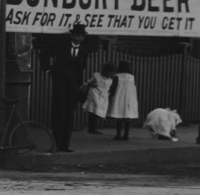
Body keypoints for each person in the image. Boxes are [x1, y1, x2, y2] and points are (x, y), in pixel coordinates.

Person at [40, 22, 101, 153]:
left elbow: (81, 69)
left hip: (73, 84)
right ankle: (56, 143)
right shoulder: (62, 45)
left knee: (69, 114)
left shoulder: (84, 51)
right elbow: (44, 55)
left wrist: (79, 86)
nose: (78, 38)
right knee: (58, 113)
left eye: (81, 36)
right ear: (72, 35)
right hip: (60, 82)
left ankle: (65, 145)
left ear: (83, 38)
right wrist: (49, 70)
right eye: (76, 35)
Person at [108, 59, 139, 141]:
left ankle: (118, 134)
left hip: (119, 98)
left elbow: (113, 88)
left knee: (119, 117)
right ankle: (126, 135)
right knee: (127, 117)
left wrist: (110, 95)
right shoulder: (131, 77)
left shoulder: (117, 77)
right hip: (129, 99)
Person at [81, 62, 114, 135]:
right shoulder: (97, 77)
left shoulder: (110, 80)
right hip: (95, 95)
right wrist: (89, 85)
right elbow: (89, 82)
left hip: (103, 96)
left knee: (96, 112)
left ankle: (92, 128)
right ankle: (91, 128)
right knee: (94, 111)